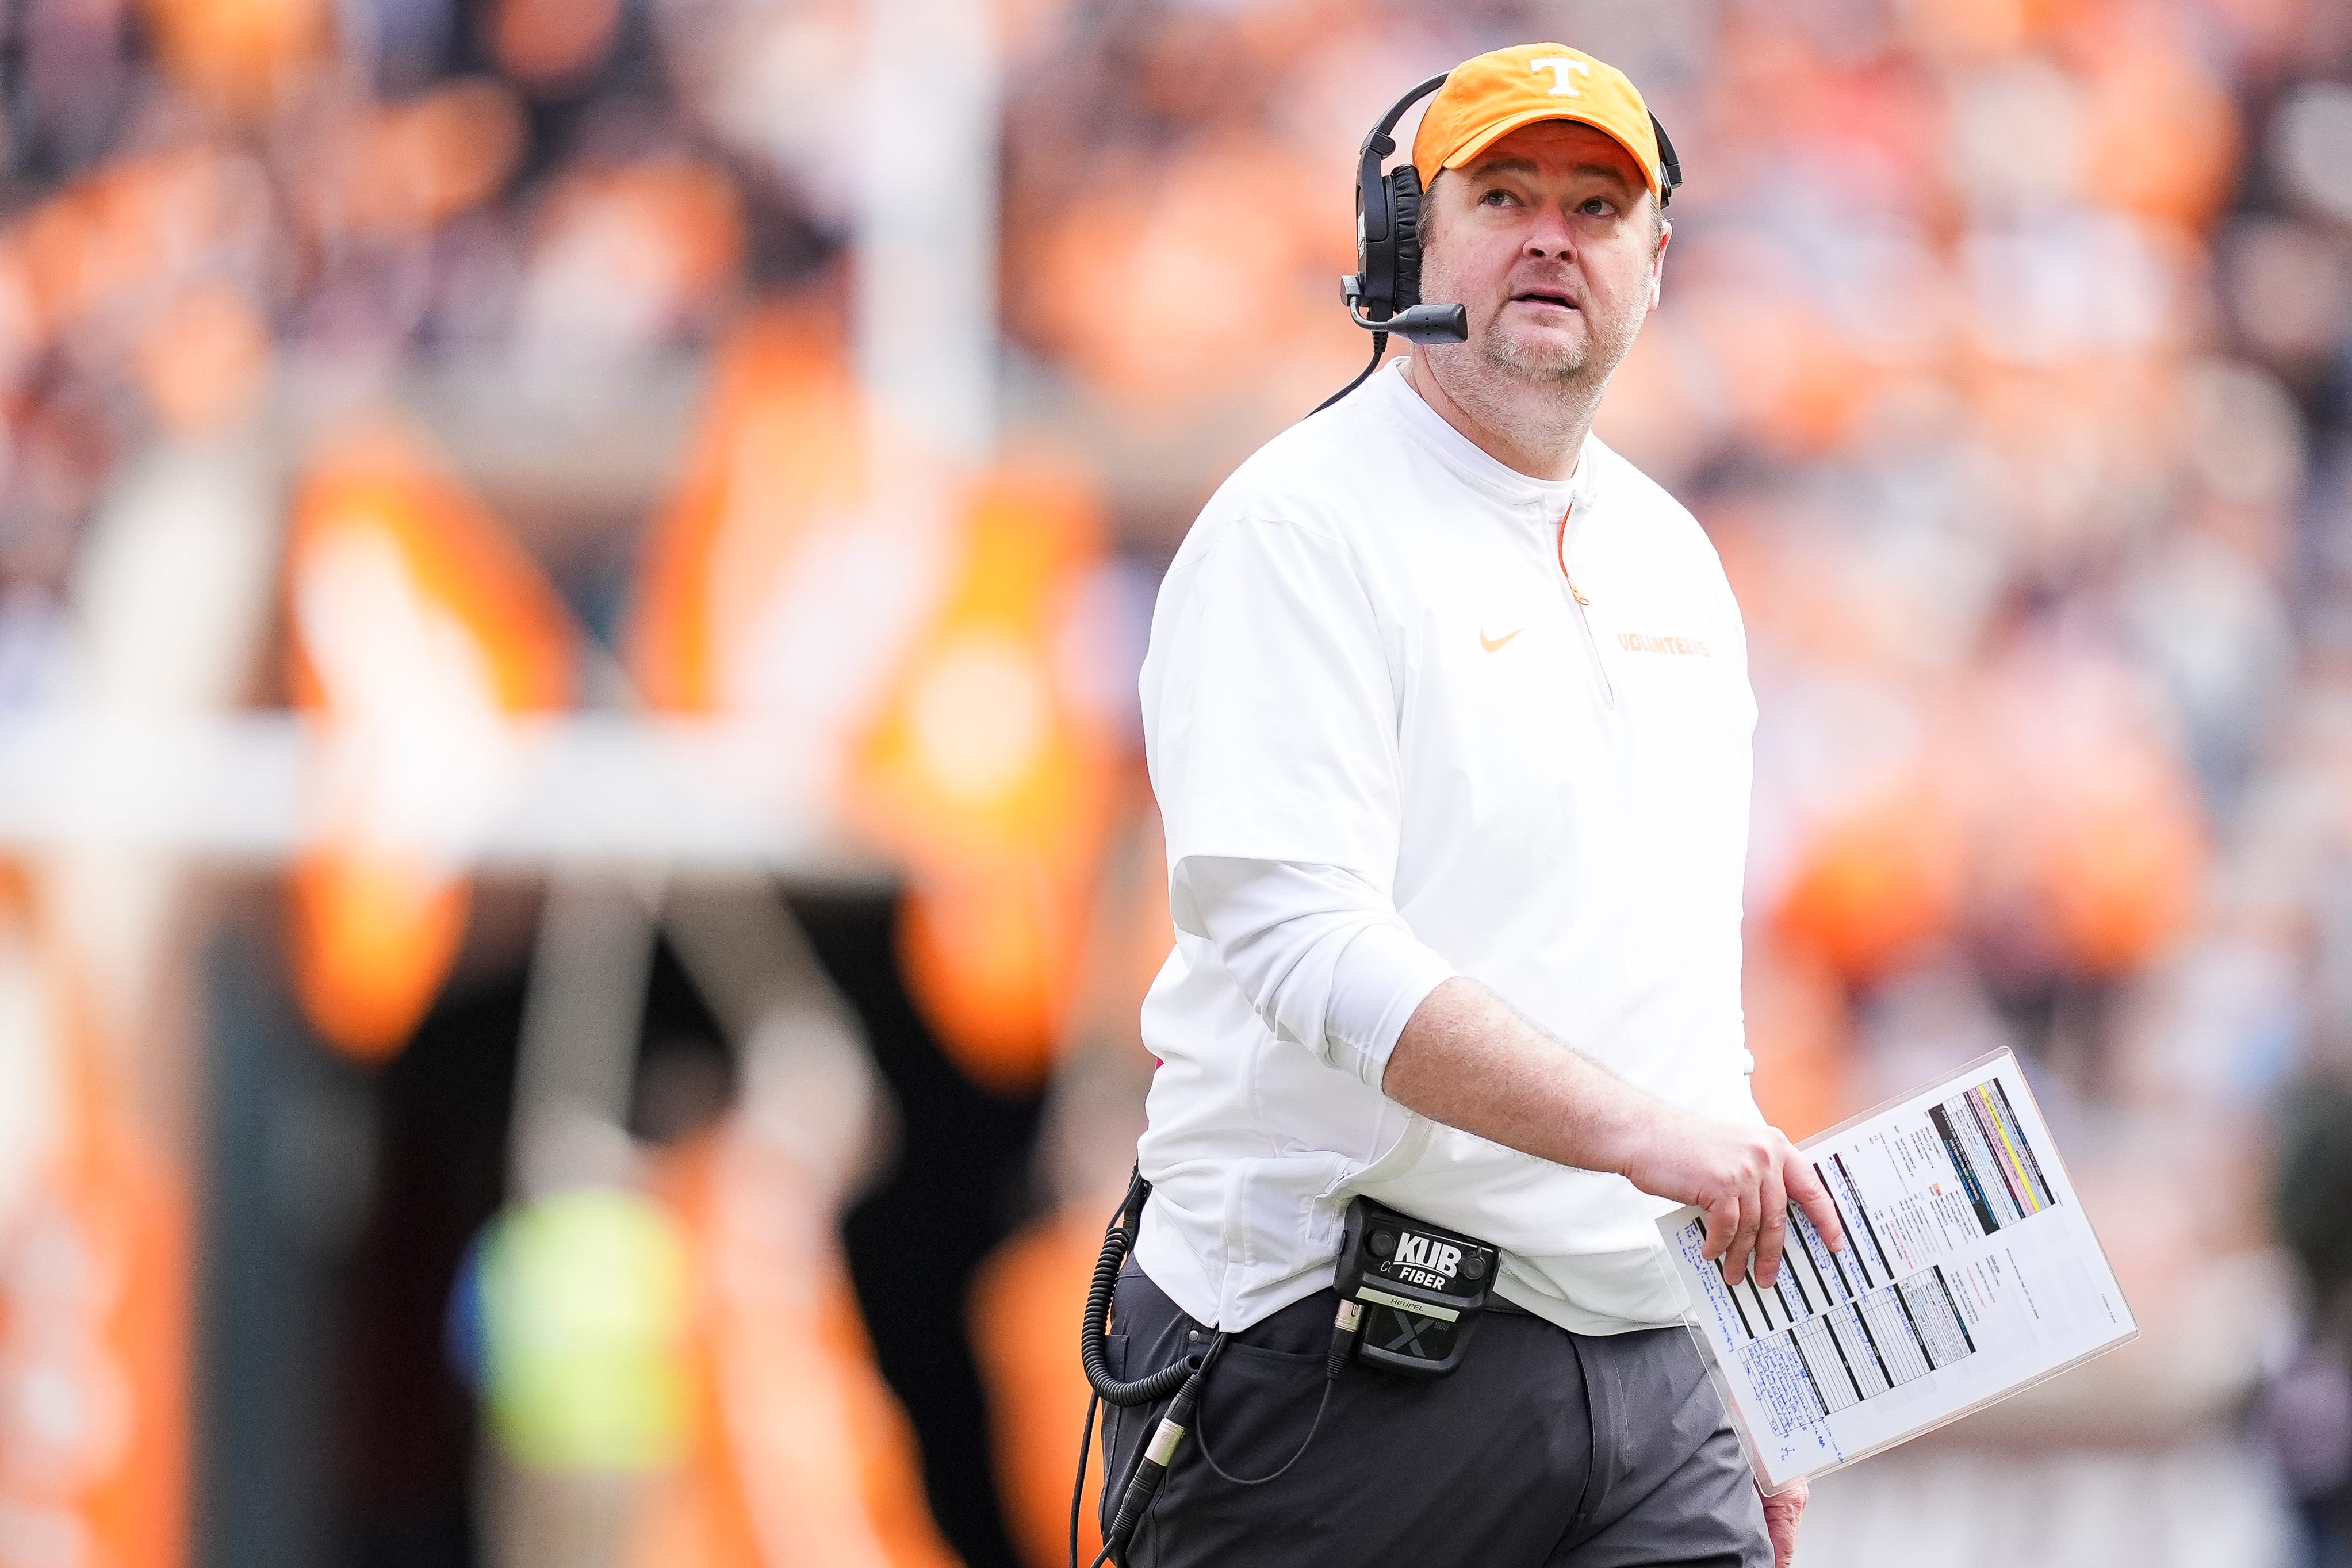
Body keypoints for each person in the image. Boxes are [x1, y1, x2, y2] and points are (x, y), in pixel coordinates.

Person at [1105, 42, 1847, 1568]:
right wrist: (1643, 1140)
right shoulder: (1295, 529)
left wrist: (1753, 1362)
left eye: (1595, 207)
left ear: (1655, 263)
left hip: (1646, 1370)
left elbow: (1679, 996)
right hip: (1332, 1355)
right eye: (1502, 196)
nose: (1549, 238)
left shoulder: (1671, 555)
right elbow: (1303, 943)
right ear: (1406, 246)